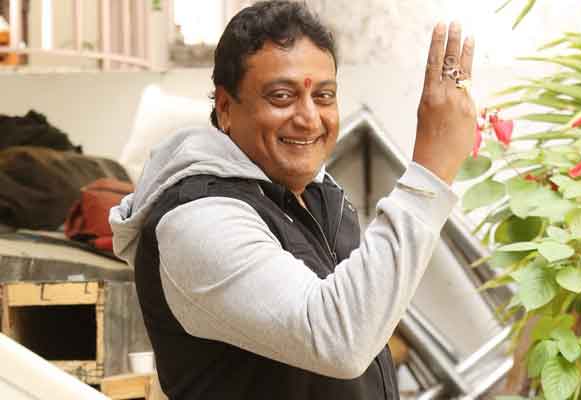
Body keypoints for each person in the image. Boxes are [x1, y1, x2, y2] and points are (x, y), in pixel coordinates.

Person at [110, 1, 476, 399]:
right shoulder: (195, 220)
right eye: (282, 96)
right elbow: (340, 338)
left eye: (324, 96)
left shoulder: (317, 198)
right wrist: (429, 173)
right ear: (226, 108)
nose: (309, 118)